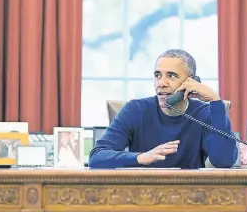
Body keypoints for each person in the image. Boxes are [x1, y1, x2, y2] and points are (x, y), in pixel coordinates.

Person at [88, 49, 238, 169]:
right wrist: (142, 157)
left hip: (191, 197)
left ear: (191, 82)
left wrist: (215, 101)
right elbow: (97, 157)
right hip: (142, 197)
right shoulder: (135, 110)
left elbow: (223, 161)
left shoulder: (205, 114)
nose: (161, 83)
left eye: (171, 76)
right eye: (158, 75)